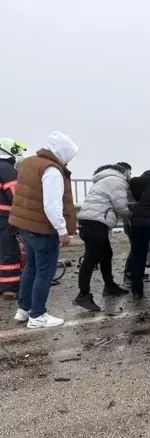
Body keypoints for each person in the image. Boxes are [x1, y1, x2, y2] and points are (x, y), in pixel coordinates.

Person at [9, 131, 78, 328]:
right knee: (45, 272)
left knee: (31, 268)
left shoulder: (30, 163)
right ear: (62, 152)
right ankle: (38, 315)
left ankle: (24, 309)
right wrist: (63, 231)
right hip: (42, 229)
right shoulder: (52, 170)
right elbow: (51, 205)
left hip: (25, 226)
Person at [73, 162, 133, 311]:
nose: (130, 177)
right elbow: (122, 207)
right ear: (124, 172)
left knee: (106, 253)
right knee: (90, 259)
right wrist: (136, 214)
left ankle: (109, 286)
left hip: (91, 222)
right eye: (129, 174)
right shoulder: (116, 181)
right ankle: (83, 295)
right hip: (95, 223)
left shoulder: (102, 181)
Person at [0, 138, 26, 300]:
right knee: (9, 252)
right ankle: (9, 288)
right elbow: (16, 194)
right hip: (4, 218)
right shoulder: (7, 169)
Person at [122, 169, 150, 286]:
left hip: (134, 221)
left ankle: (137, 272)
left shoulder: (138, 186)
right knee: (136, 249)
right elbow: (129, 205)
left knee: (140, 248)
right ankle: (128, 274)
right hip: (131, 222)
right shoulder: (132, 187)